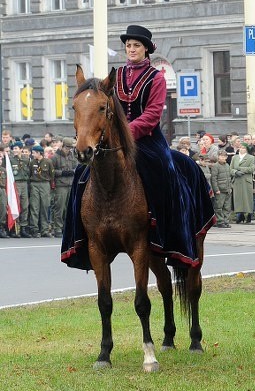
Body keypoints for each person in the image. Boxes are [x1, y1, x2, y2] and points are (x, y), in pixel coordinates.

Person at [61, 24, 216, 270]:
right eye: (128, 46)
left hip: (148, 139)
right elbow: (104, 110)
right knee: (82, 174)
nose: (131, 49)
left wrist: (127, 133)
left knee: (165, 170)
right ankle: (78, 237)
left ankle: (170, 233)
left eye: (136, 46)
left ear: (146, 49)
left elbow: (153, 114)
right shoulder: (115, 76)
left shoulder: (157, 77)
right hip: (113, 141)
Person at [50, 137, 78, 238]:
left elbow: (76, 166)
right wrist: (63, 172)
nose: (69, 150)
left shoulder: (73, 156)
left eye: (71, 148)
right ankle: (57, 228)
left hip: (71, 184)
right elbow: (52, 171)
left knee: (69, 208)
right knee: (59, 208)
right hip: (60, 185)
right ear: (63, 146)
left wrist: (74, 171)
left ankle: (67, 228)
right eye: (67, 148)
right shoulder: (55, 157)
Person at [28, 145, 55, 237]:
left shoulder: (48, 162)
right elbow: (30, 173)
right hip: (34, 184)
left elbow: (52, 174)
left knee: (44, 207)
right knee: (34, 207)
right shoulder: (32, 162)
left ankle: (45, 230)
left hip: (44, 184)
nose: (32, 154)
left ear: (39, 153)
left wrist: (50, 186)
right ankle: (34, 229)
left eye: (34, 153)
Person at [230, 142, 255, 224]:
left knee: (247, 199)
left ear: (247, 149)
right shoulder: (234, 157)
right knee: (238, 199)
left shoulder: (251, 157)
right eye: (240, 148)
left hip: (246, 180)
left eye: (244, 148)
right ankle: (239, 215)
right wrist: (235, 172)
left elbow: (251, 169)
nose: (242, 149)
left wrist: (240, 169)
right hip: (237, 180)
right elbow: (231, 169)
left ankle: (248, 214)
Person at [210, 150, 233, 228]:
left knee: (227, 207)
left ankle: (226, 221)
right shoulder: (215, 166)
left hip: (227, 189)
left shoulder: (227, 165)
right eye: (221, 156)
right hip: (220, 190)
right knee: (218, 207)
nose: (223, 158)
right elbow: (214, 179)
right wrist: (216, 189)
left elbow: (229, 177)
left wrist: (230, 187)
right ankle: (220, 221)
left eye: (224, 156)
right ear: (218, 157)